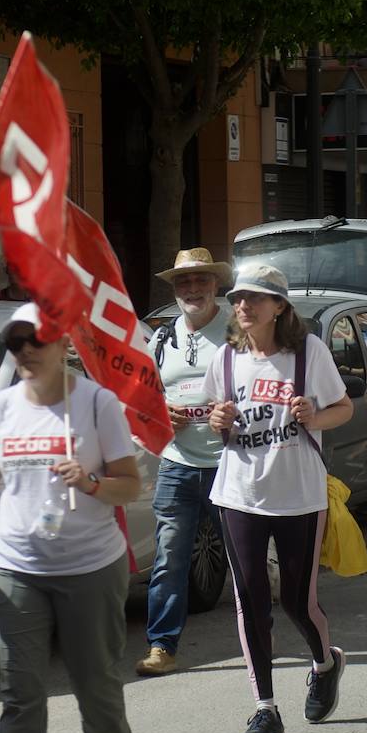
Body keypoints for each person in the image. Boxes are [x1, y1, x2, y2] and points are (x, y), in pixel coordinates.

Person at [0, 303, 143, 733]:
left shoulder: (98, 404)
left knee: (94, 684)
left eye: (36, 339)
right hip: (14, 566)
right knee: (20, 691)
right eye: (15, 343)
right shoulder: (3, 407)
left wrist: (93, 482)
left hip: (90, 567)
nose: (26, 350)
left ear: (63, 343)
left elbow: (129, 485)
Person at [204, 264, 354, 733]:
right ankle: (265, 710)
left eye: (255, 298)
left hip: (298, 495)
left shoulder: (308, 353)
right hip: (238, 493)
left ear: (279, 306)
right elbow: (217, 421)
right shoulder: (225, 358)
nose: (243, 306)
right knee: (250, 601)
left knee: (295, 600)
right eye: (238, 298)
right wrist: (217, 418)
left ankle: (325, 662)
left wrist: (316, 413)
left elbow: (344, 408)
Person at [136, 248, 234, 676]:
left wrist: (231, 412)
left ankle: (260, 638)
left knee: (243, 557)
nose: (192, 289)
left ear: (216, 284)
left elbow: (267, 383)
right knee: (169, 558)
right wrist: (160, 412)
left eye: (200, 281)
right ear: (174, 289)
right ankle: (163, 646)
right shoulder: (161, 337)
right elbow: (144, 396)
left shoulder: (238, 330)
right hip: (177, 462)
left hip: (231, 462)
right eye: (183, 283)